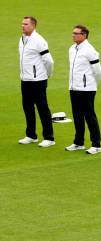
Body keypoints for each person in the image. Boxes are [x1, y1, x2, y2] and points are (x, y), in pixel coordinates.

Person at [65, 25, 101, 154]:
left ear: (84, 35)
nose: (73, 35)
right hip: (74, 87)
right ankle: (78, 142)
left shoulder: (89, 50)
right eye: (73, 33)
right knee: (77, 115)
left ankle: (96, 144)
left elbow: (98, 71)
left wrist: (91, 85)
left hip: (87, 89)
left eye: (76, 33)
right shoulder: (72, 49)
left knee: (89, 116)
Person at [18, 16, 55, 147]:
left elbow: (49, 61)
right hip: (25, 79)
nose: (23, 26)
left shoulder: (39, 40)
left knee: (42, 108)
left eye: (26, 24)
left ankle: (49, 138)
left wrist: (47, 74)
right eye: (22, 24)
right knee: (27, 107)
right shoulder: (22, 39)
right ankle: (31, 135)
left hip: (38, 80)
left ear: (33, 26)